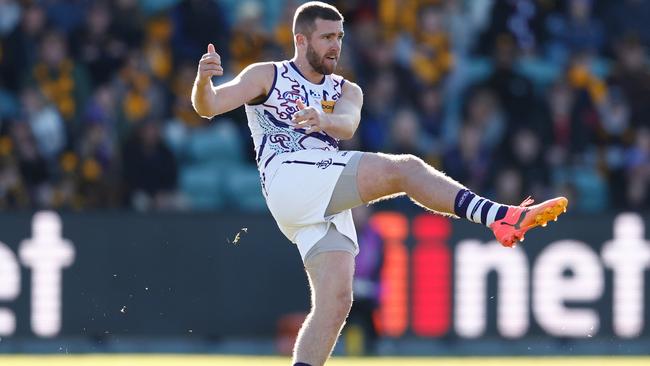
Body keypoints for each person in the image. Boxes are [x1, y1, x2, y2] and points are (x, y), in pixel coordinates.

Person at [191, 2, 568, 365]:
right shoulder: (266, 75)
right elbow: (208, 106)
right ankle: (499, 217)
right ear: (301, 41)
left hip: (317, 185)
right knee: (405, 169)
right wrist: (203, 81)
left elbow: (348, 123)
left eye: (339, 36)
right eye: (326, 37)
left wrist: (324, 122)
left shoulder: (345, 89)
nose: (336, 45)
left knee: (336, 302)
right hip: (289, 176)